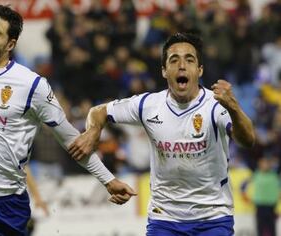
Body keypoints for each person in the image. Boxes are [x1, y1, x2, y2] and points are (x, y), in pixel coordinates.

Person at [0, 4, 136, 236]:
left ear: (10, 44)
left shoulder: (31, 86)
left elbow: (71, 140)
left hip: (8, 205)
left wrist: (108, 180)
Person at [69, 32, 256, 235]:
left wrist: (235, 108)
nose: (181, 66)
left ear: (199, 70)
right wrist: (93, 130)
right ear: (164, 71)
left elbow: (248, 140)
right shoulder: (148, 106)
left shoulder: (216, 105)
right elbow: (98, 111)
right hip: (164, 217)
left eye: (189, 60)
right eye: (174, 60)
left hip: (213, 216)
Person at [241, 154, 280, 236]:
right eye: (262, 163)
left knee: (272, 229)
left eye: (267, 163)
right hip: (259, 206)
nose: (265, 165)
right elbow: (243, 186)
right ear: (259, 164)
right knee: (260, 228)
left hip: (271, 206)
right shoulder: (256, 174)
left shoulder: (275, 175)